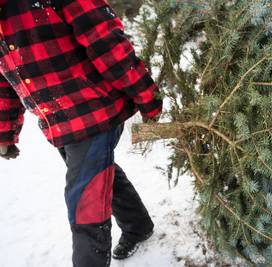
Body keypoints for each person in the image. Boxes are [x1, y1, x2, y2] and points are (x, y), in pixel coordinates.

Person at [0, 0, 162, 266]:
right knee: (99, 173)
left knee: (84, 201)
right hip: (58, 123)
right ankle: (138, 226)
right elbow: (4, 84)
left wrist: (148, 97)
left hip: (96, 110)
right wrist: (4, 133)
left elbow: (108, 43)